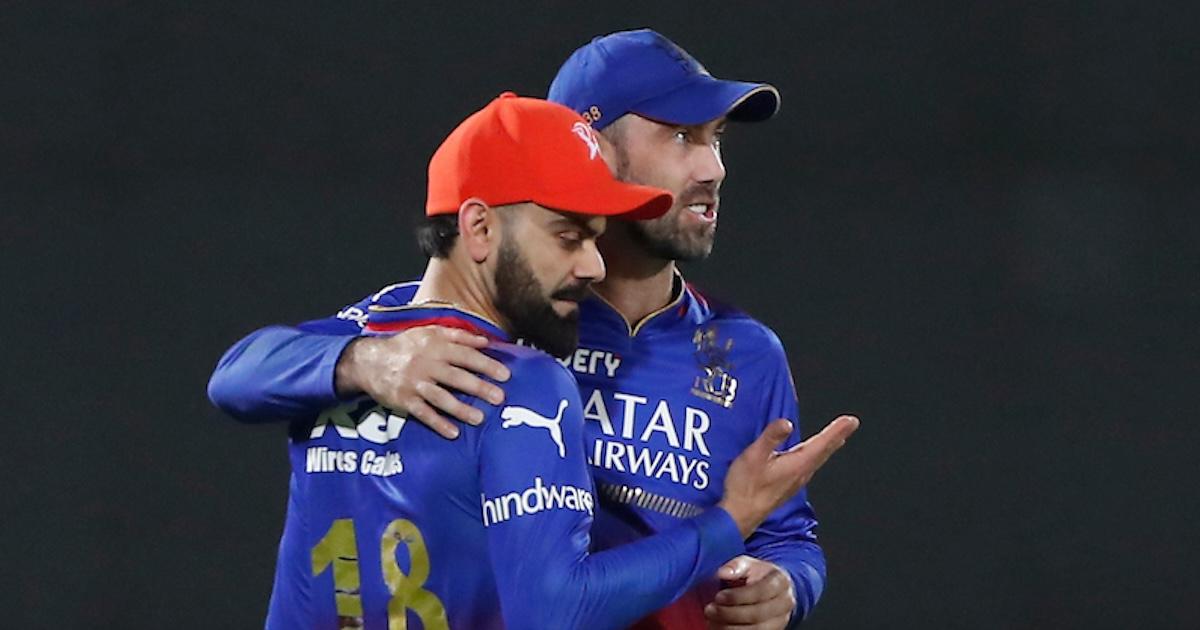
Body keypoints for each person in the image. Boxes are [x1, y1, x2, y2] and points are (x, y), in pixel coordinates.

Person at [208, 30, 847, 629]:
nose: (713, 168)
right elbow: (241, 373)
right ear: (590, 146)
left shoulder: (745, 352)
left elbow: (788, 535)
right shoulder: (463, 330)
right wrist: (366, 361)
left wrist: (788, 586)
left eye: (717, 139)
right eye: (681, 136)